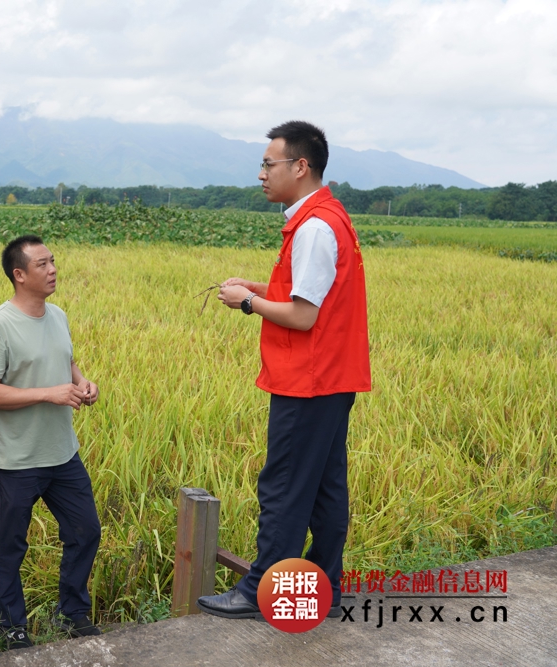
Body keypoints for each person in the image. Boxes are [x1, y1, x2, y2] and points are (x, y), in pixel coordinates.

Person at [198, 121, 371, 619]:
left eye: (268, 164)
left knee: (285, 485)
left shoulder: (314, 227)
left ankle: (262, 590)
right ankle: (324, 586)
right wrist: (258, 287)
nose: (261, 174)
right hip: (330, 379)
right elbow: (308, 294)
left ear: (300, 166)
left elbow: (303, 315)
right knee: (324, 489)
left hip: (307, 381)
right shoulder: (327, 216)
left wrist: (247, 302)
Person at [0, 235, 103, 650]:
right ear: (19, 274)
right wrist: (50, 393)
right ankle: (13, 627)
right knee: (12, 545)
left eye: (53, 262)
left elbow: (65, 361)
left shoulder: (58, 315)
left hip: (62, 452)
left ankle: (72, 613)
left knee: (86, 531)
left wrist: (82, 382)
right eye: (42, 264)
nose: (53, 270)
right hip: (17, 459)